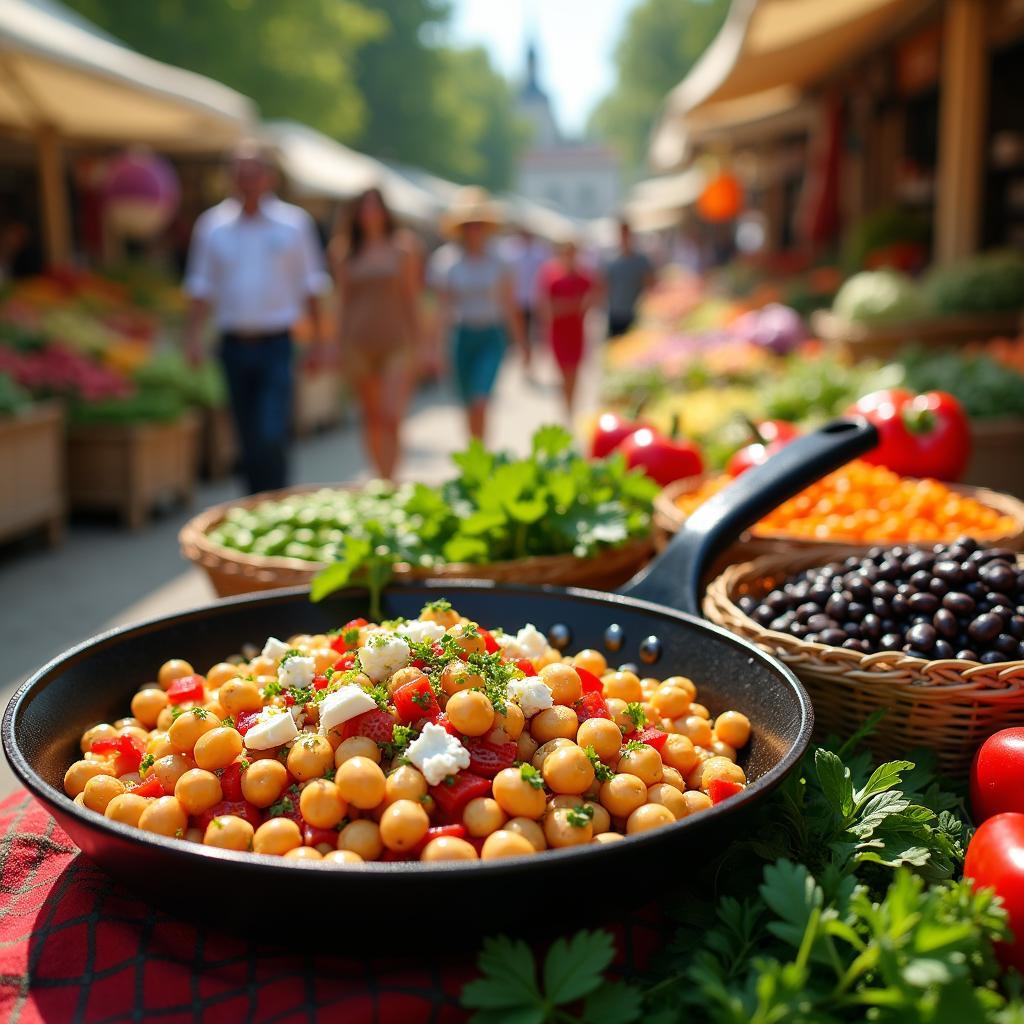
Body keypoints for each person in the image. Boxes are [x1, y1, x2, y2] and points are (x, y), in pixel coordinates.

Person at [184, 144, 329, 496]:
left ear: (268, 178)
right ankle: (253, 502)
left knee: (270, 429)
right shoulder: (212, 226)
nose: (245, 182)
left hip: (276, 343)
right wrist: (193, 337)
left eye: (252, 174)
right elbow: (201, 286)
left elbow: (312, 285)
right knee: (245, 433)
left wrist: (320, 343)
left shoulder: (294, 224)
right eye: (239, 174)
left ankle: (276, 497)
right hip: (232, 344)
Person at [330, 187, 421, 481]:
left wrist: (423, 343)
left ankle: (393, 480)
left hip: (396, 342)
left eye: (375, 206)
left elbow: (411, 297)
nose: (370, 212)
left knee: (392, 415)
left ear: (385, 211)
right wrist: (336, 346)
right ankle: (379, 478)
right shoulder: (344, 251)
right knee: (371, 418)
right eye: (364, 207)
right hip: (359, 343)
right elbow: (341, 301)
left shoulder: (403, 248)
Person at [429, 187, 527, 441]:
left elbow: (509, 304)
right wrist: (435, 348)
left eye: (478, 224)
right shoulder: (447, 261)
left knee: (480, 398)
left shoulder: (500, 260)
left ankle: (482, 451)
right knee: (466, 401)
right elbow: (443, 307)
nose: (474, 230)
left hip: (491, 335)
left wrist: (521, 343)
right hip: (461, 336)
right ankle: (473, 449)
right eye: (469, 224)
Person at [537, 239, 596, 415]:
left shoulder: (583, 276)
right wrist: (571, 306)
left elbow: (593, 297)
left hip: (576, 332)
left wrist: (573, 307)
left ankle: (571, 407)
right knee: (564, 372)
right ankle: (566, 407)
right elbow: (546, 306)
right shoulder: (552, 276)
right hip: (559, 332)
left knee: (575, 372)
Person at [500, 225, 550, 361]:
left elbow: (545, 275)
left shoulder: (540, 250)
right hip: (516, 298)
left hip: (535, 299)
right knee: (520, 332)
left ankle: (529, 358)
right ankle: (525, 358)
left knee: (533, 332)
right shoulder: (509, 248)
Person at [603, 219, 654, 338]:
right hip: (615, 313)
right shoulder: (611, 260)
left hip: (636, 314)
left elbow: (649, 283)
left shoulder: (641, 260)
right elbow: (605, 286)